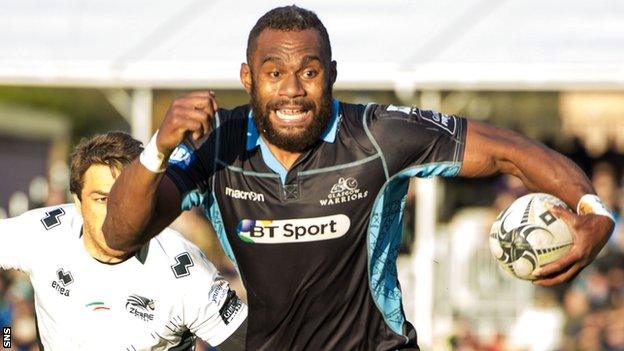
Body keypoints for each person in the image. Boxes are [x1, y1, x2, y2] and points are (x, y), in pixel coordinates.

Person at [102, 5, 614, 350]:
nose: (293, 91)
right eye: (274, 73)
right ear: (248, 78)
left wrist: (593, 212)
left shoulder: (379, 136)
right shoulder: (218, 144)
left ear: (332, 73)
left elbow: (510, 151)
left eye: (310, 71)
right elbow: (119, 236)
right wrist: (158, 150)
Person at [0, 132, 247, 350]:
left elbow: (256, 343)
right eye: (102, 199)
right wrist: (6, 338)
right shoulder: (43, 233)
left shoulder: (183, 270)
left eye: (126, 197)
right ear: (77, 201)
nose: (116, 212)